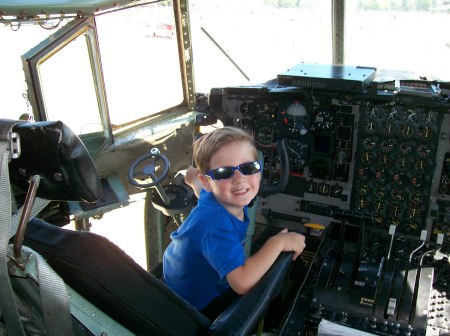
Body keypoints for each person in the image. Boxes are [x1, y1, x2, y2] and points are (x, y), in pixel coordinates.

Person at [162, 126, 306, 319]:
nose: (240, 180)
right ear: (208, 181)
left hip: (178, 275)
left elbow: (197, 184)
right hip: (194, 303)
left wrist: (193, 178)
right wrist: (277, 243)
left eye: (248, 168)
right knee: (269, 287)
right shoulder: (216, 226)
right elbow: (242, 283)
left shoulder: (214, 195)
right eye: (223, 172)